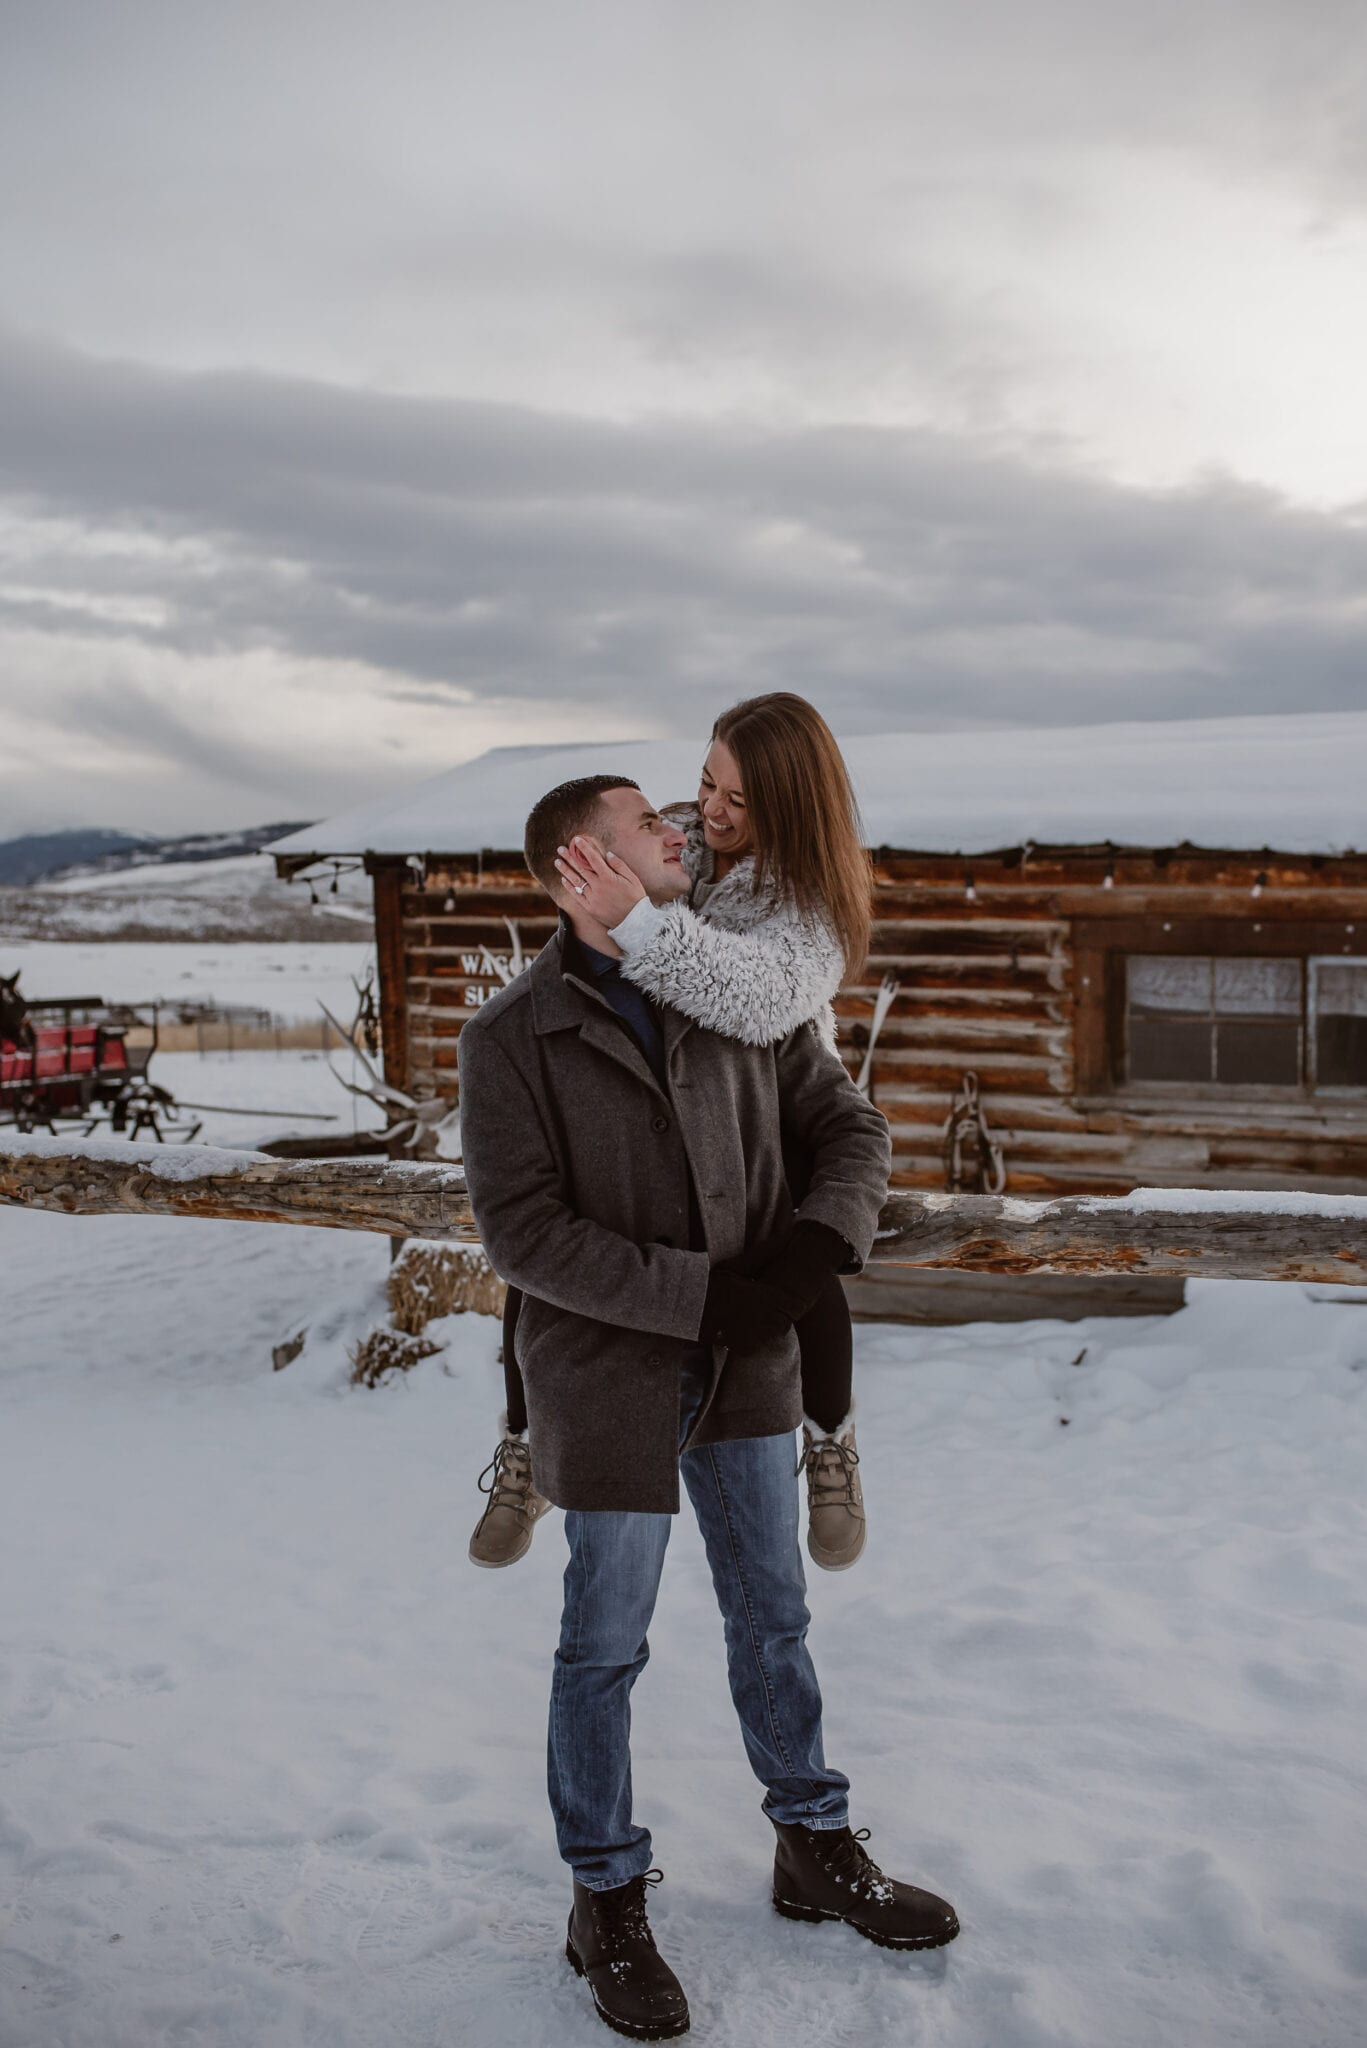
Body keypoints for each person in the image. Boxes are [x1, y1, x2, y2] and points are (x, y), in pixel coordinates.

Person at [458, 771, 959, 2039]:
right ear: (585, 862)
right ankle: (604, 1897)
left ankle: (810, 1840)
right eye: (649, 821)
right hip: (609, 1377)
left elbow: (848, 1124)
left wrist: (806, 1256)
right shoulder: (510, 1034)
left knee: (772, 1616)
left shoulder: (733, 983)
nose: (679, 830)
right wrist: (697, 1297)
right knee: (604, 1642)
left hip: (750, 1368)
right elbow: (523, 1234)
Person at [470, 694, 874, 1574]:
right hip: (666, 1079)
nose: (711, 813)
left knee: (798, 1259)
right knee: (542, 1271)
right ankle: (526, 1442)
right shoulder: (689, 840)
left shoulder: (806, 902)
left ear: (791, 807)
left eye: (740, 800)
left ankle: (830, 1438)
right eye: (705, 783)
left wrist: (640, 926)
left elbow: (757, 1002)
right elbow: (615, 867)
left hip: (759, 1091)